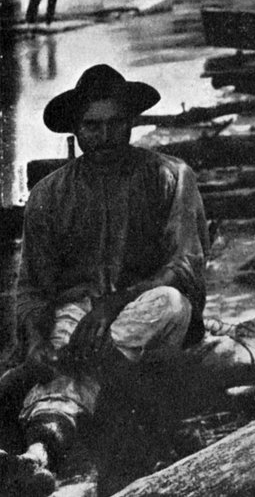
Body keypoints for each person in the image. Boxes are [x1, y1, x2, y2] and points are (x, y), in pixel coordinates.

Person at [0, 65, 209, 494]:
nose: (105, 136)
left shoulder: (171, 176)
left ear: (132, 124)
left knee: (167, 301)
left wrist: (113, 305)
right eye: (92, 126)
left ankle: (59, 397)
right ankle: (39, 457)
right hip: (80, 320)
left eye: (116, 124)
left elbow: (185, 266)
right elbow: (33, 290)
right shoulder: (48, 196)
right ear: (76, 131)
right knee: (62, 329)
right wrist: (36, 340)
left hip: (152, 309)